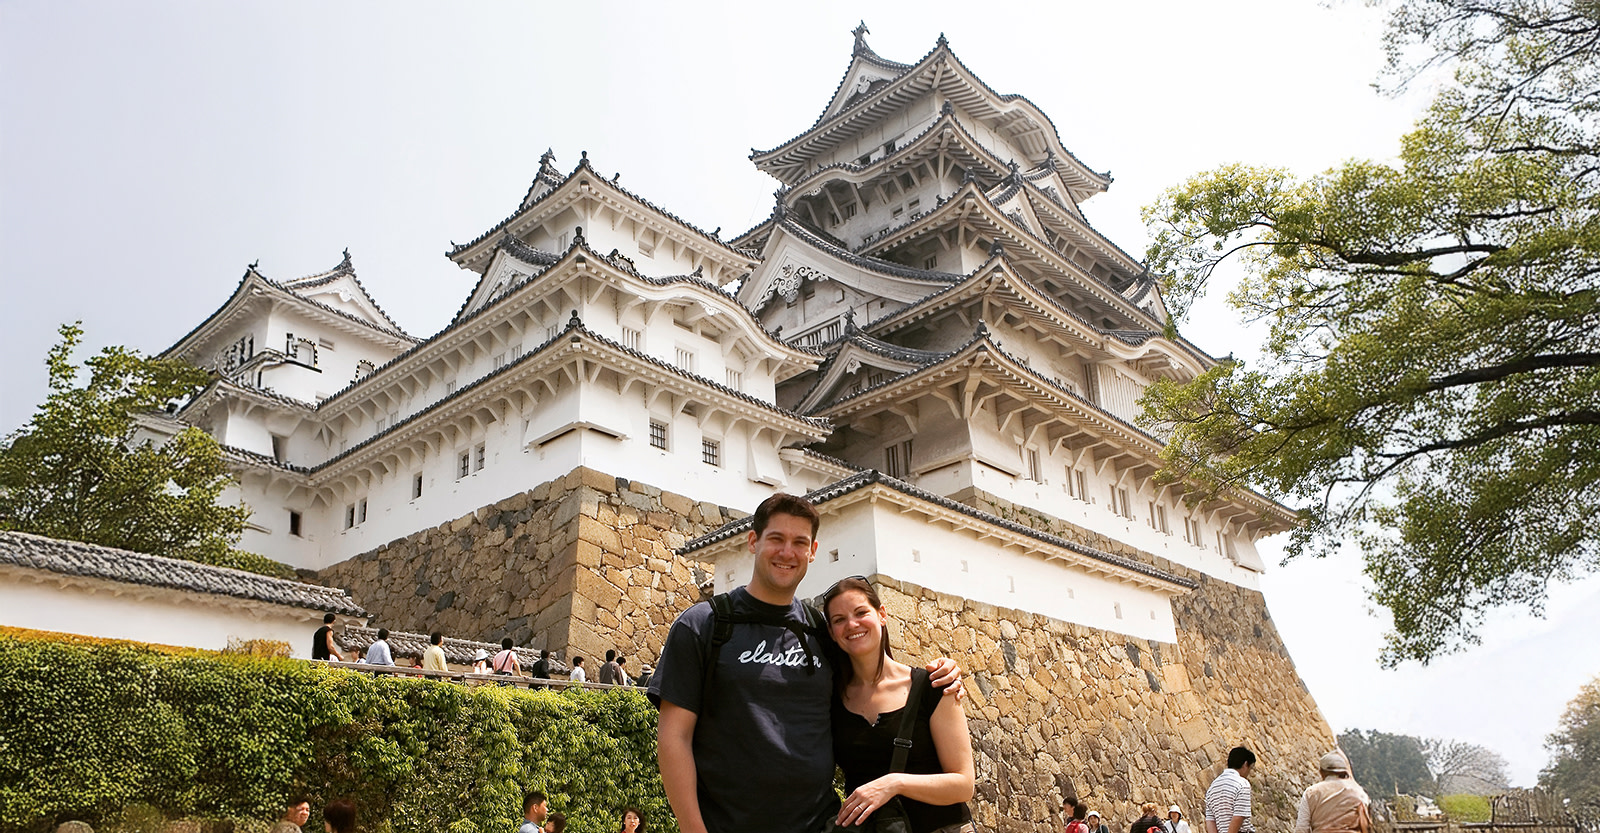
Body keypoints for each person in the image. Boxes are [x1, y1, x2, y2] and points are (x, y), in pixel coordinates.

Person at [650, 493, 962, 833]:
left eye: (800, 542)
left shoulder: (821, 631)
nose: (787, 552)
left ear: (813, 551)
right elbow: (673, 738)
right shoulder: (704, 625)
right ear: (753, 541)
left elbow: (873, 675)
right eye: (776, 539)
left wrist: (940, 673)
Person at [824, 576, 974, 833]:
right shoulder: (830, 700)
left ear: (881, 614)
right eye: (839, 620)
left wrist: (894, 783)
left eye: (861, 612)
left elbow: (963, 785)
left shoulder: (933, 685)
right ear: (831, 633)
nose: (852, 624)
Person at [1294, 751, 1371, 833]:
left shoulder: (1311, 792)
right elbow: (1365, 825)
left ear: (1321, 772)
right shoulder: (1360, 793)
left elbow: (1301, 829)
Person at [1205, 746, 1258, 833]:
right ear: (1245, 764)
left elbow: (1210, 820)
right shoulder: (1242, 784)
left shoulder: (1212, 787)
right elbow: (1238, 816)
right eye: (1250, 768)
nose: (1248, 773)